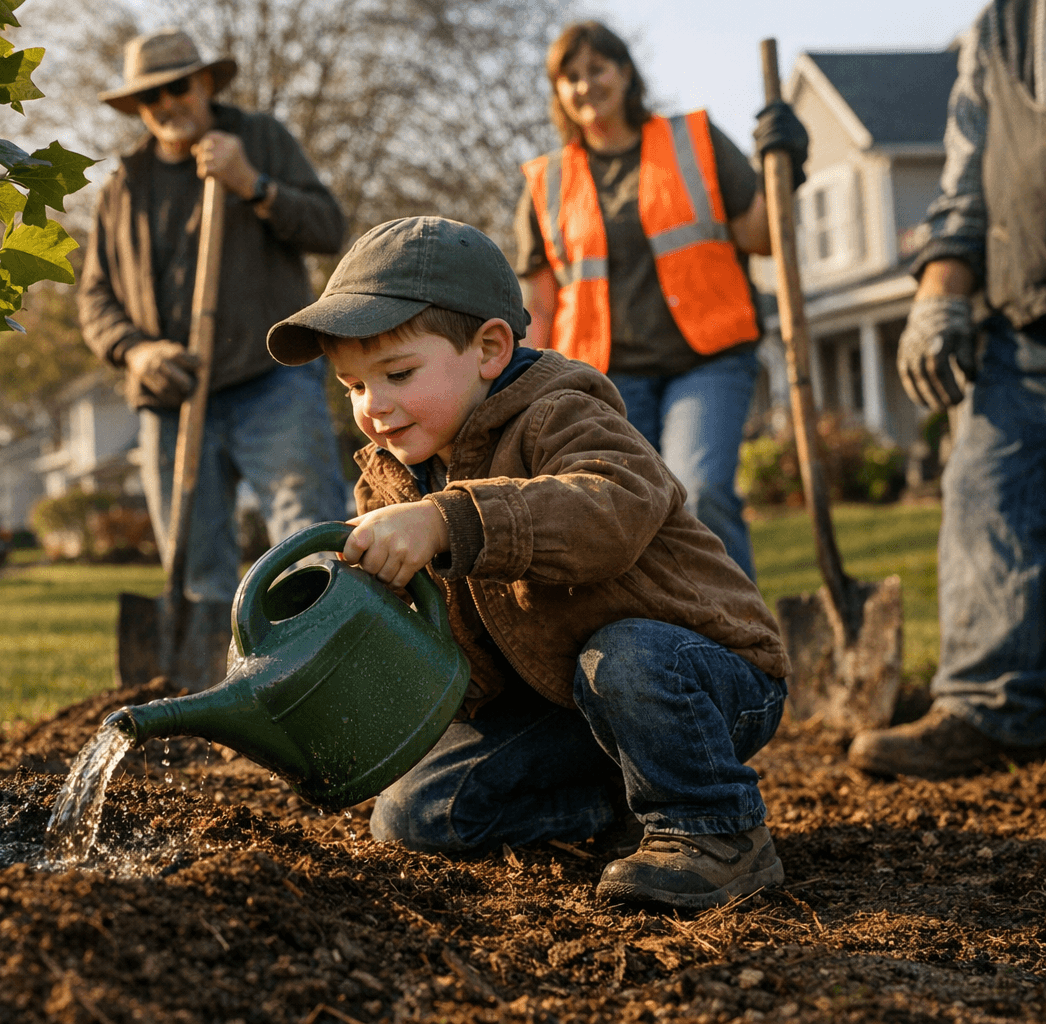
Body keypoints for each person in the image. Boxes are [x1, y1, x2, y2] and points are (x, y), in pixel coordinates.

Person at [267, 216, 791, 909]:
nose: (375, 407)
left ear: (489, 349)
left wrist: (447, 521)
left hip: (701, 677)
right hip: (563, 700)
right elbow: (437, 641)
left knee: (625, 656)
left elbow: (613, 508)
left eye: (397, 373)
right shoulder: (393, 479)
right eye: (353, 386)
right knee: (413, 817)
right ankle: (620, 804)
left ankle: (715, 830)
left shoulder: (561, 414)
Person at [79, 28, 350, 687]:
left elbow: (328, 229)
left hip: (271, 384)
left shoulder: (259, 139)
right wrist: (137, 352)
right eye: (149, 97)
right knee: (195, 569)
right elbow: (94, 298)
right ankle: (214, 702)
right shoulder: (125, 185)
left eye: (177, 87)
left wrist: (252, 184)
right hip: (173, 403)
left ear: (204, 84)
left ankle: (324, 685)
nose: (166, 104)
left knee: (306, 542)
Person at [515, 21, 809, 581]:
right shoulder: (547, 181)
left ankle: (739, 638)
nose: (584, 86)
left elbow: (762, 236)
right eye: (569, 77)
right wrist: (524, 390)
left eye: (596, 69)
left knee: (699, 490)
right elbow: (541, 305)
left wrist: (786, 167)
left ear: (625, 73)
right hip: (604, 377)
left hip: (707, 358)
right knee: (621, 513)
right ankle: (669, 637)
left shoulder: (692, 140)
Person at [849, 0, 1046, 779]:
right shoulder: (1004, 23)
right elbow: (969, 169)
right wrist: (939, 291)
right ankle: (993, 711)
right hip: (1024, 309)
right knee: (984, 495)